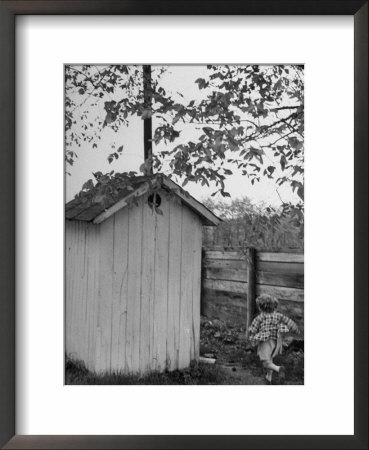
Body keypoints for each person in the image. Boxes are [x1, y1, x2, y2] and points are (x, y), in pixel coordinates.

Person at [247, 294, 300, 384]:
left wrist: (251, 337)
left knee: (265, 362)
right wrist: (296, 329)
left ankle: (278, 369)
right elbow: (289, 322)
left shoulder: (260, 317)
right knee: (269, 360)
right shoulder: (278, 315)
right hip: (276, 341)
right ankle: (269, 378)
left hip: (265, 341)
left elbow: (253, 329)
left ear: (260, 307)